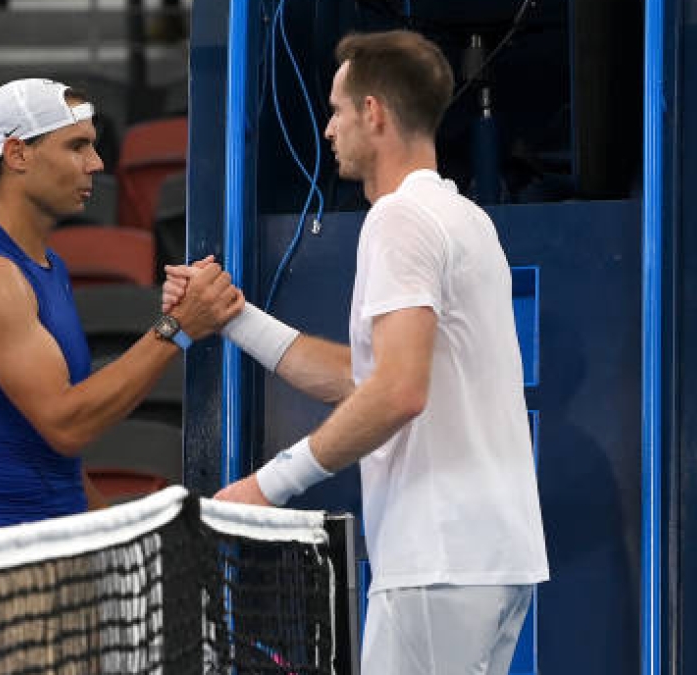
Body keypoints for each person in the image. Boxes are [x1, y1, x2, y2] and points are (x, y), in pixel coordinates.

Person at [164, 31, 548, 674]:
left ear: (373, 112)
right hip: (491, 561)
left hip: (439, 560)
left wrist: (265, 486)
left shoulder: (400, 220)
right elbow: (368, 379)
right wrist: (234, 318)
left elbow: (396, 392)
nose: (329, 128)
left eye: (337, 110)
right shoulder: (464, 218)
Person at [0, 77, 241, 535]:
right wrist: (178, 326)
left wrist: (125, 542)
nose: (96, 163)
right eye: (77, 146)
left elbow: (56, 467)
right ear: (17, 154)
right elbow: (67, 425)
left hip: (50, 551)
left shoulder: (45, 267)